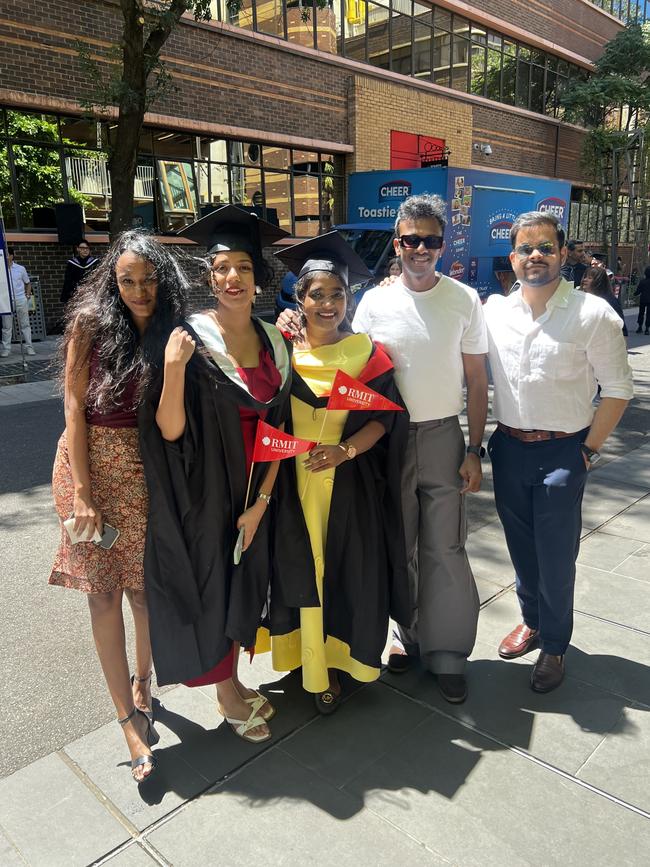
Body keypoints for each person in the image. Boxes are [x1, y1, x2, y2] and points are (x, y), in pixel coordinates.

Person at [278, 194, 488, 704]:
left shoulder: (463, 299)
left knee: (446, 546)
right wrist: (293, 326)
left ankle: (448, 652)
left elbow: (478, 379)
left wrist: (475, 447)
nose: (420, 248)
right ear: (397, 243)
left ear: (443, 245)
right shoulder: (373, 301)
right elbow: (340, 351)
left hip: (440, 432)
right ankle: (404, 635)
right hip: (384, 441)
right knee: (398, 541)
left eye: (430, 240)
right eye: (411, 239)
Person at [139, 205, 314, 744]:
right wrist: (170, 369)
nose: (233, 277)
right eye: (222, 268)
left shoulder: (274, 341)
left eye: (243, 266)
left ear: (258, 276)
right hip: (205, 493)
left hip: (256, 491)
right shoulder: (187, 341)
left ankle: (234, 680)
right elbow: (169, 430)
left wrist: (262, 501)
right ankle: (225, 691)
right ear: (208, 277)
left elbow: (280, 426)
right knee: (214, 586)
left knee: (244, 587)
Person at [49, 231, 189, 782]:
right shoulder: (90, 324)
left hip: (143, 471)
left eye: (148, 279)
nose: (137, 290)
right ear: (113, 278)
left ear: (164, 280)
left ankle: (144, 677)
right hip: (86, 469)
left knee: (143, 590)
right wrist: (82, 493)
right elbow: (73, 409)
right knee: (103, 595)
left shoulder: (171, 333)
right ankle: (128, 719)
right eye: (127, 279)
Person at [258, 232, 410, 714]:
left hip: (347, 486)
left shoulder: (368, 352)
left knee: (346, 573)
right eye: (316, 294)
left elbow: (384, 420)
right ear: (298, 299)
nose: (328, 303)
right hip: (290, 484)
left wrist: (343, 451)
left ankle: (336, 664)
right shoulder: (282, 348)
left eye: (337, 293)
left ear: (349, 297)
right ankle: (305, 660)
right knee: (299, 571)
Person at [485, 211, 633, 693]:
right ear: (512, 257)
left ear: (563, 254)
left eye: (546, 247)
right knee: (521, 549)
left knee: (554, 556)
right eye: (526, 248)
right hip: (508, 449)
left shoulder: (592, 315)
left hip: (564, 453)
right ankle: (531, 620)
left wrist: (587, 451)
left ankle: (554, 644)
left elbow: (617, 390)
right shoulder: (493, 312)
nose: (536, 256)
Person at [1, 247, 34, 357]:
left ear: (11, 256)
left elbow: (28, 283)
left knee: (25, 324)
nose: (5, 257)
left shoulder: (20, 268)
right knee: (6, 326)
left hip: (20, 298)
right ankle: (6, 349)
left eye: (7, 255)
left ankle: (29, 347)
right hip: (6, 300)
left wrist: (28, 295)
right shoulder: (1, 269)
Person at [581, 266, 628, 336]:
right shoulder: (582, 298)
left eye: (590, 278)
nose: (585, 280)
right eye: (585, 277)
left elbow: (620, 326)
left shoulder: (610, 301)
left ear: (599, 282)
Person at [61, 240, 100, 305]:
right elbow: (68, 280)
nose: (85, 250)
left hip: (91, 294)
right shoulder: (72, 263)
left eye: (87, 248)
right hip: (76, 294)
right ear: (78, 249)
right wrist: (66, 296)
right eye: (82, 248)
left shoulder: (95, 263)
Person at [634, 265, 650, 335]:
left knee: (641, 313)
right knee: (649, 314)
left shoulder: (642, 281)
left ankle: (640, 326)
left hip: (643, 299)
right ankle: (647, 328)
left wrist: (634, 294)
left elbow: (638, 291)